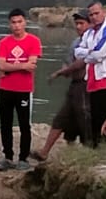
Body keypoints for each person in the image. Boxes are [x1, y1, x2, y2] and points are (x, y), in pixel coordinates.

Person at [37, 10, 92, 162]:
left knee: (84, 118)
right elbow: (68, 62)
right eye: (77, 24)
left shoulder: (93, 42)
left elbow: (80, 63)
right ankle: (45, 152)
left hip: (86, 84)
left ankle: (89, 152)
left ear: (90, 25)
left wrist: (59, 73)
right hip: (75, 84)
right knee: (62, 117)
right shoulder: (75, 42)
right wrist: (64, 70)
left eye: (82, 23)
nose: (78, 27)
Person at [0, 8, 42, 170]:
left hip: (24, 90)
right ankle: (7, 157)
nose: (17, 26)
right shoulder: (4, 42)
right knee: (5, 124)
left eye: (19, 22)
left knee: (24, 125)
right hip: (5, 89)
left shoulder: (33, 41)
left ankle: (23, 158)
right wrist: (22, 65)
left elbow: (31, 65)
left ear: (25, 22)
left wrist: (9, 68)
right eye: (13, 22)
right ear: (9, 24)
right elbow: (1, 65)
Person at [75, 0, 106, 144]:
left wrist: (88, 53)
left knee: (105, 115)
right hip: (93, 78)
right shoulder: (90, 32)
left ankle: (104, 143)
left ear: (104, 12)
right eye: (91, 15)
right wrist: (90, 53)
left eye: (97, 13)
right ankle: (96, 144)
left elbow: (98, 54)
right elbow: (77, 51)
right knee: (94, 115)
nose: (94, 17)